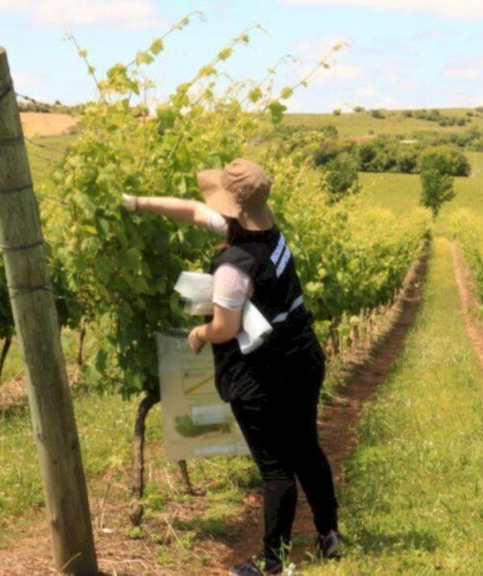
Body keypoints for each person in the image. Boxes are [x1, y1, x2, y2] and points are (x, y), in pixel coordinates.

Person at [122, 158, 343, 575]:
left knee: (276, 469)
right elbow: (190, 210)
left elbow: (224, 328)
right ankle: (330, 534)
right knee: (306, 449)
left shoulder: (233, 266)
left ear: (229, 212)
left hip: (264, 374)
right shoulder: (269, 236)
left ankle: (272, 561)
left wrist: (199, 335)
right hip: (302, 357)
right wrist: (140, 203)